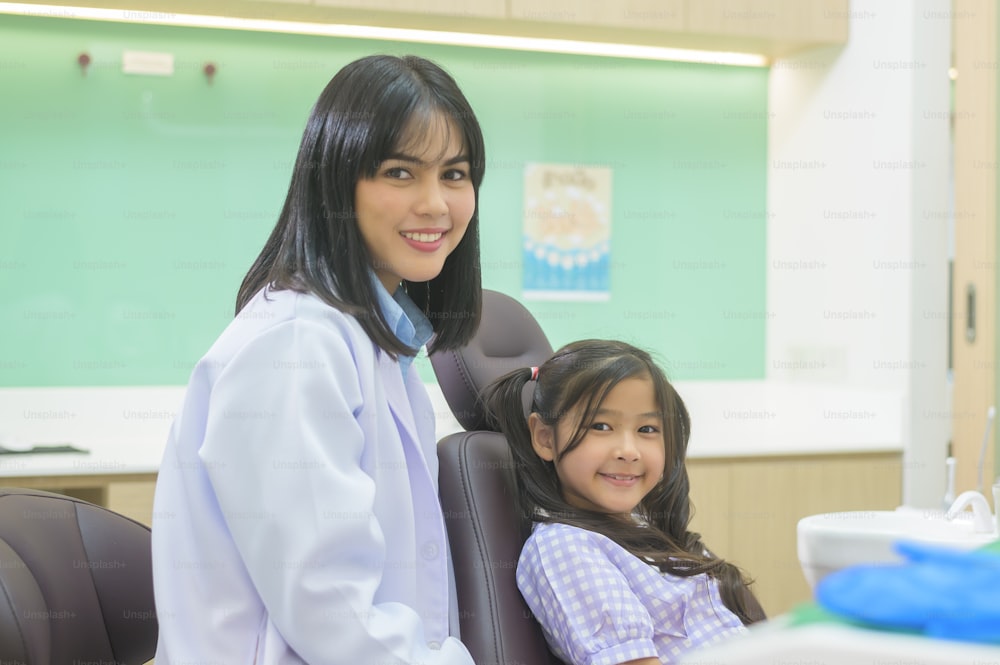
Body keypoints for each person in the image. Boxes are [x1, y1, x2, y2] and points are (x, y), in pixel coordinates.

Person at [151, 54, 484, 664]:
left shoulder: (375, 340)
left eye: (455, 174)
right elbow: (330, 606)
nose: (437, 204)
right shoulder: (298, 344)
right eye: (399, 172)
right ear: (335, 181)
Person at [482, 339, 765, 665]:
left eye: (647, 428)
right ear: (545, 438)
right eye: (601, 426)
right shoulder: (565, 547)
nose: (628, 450)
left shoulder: (646, 529)